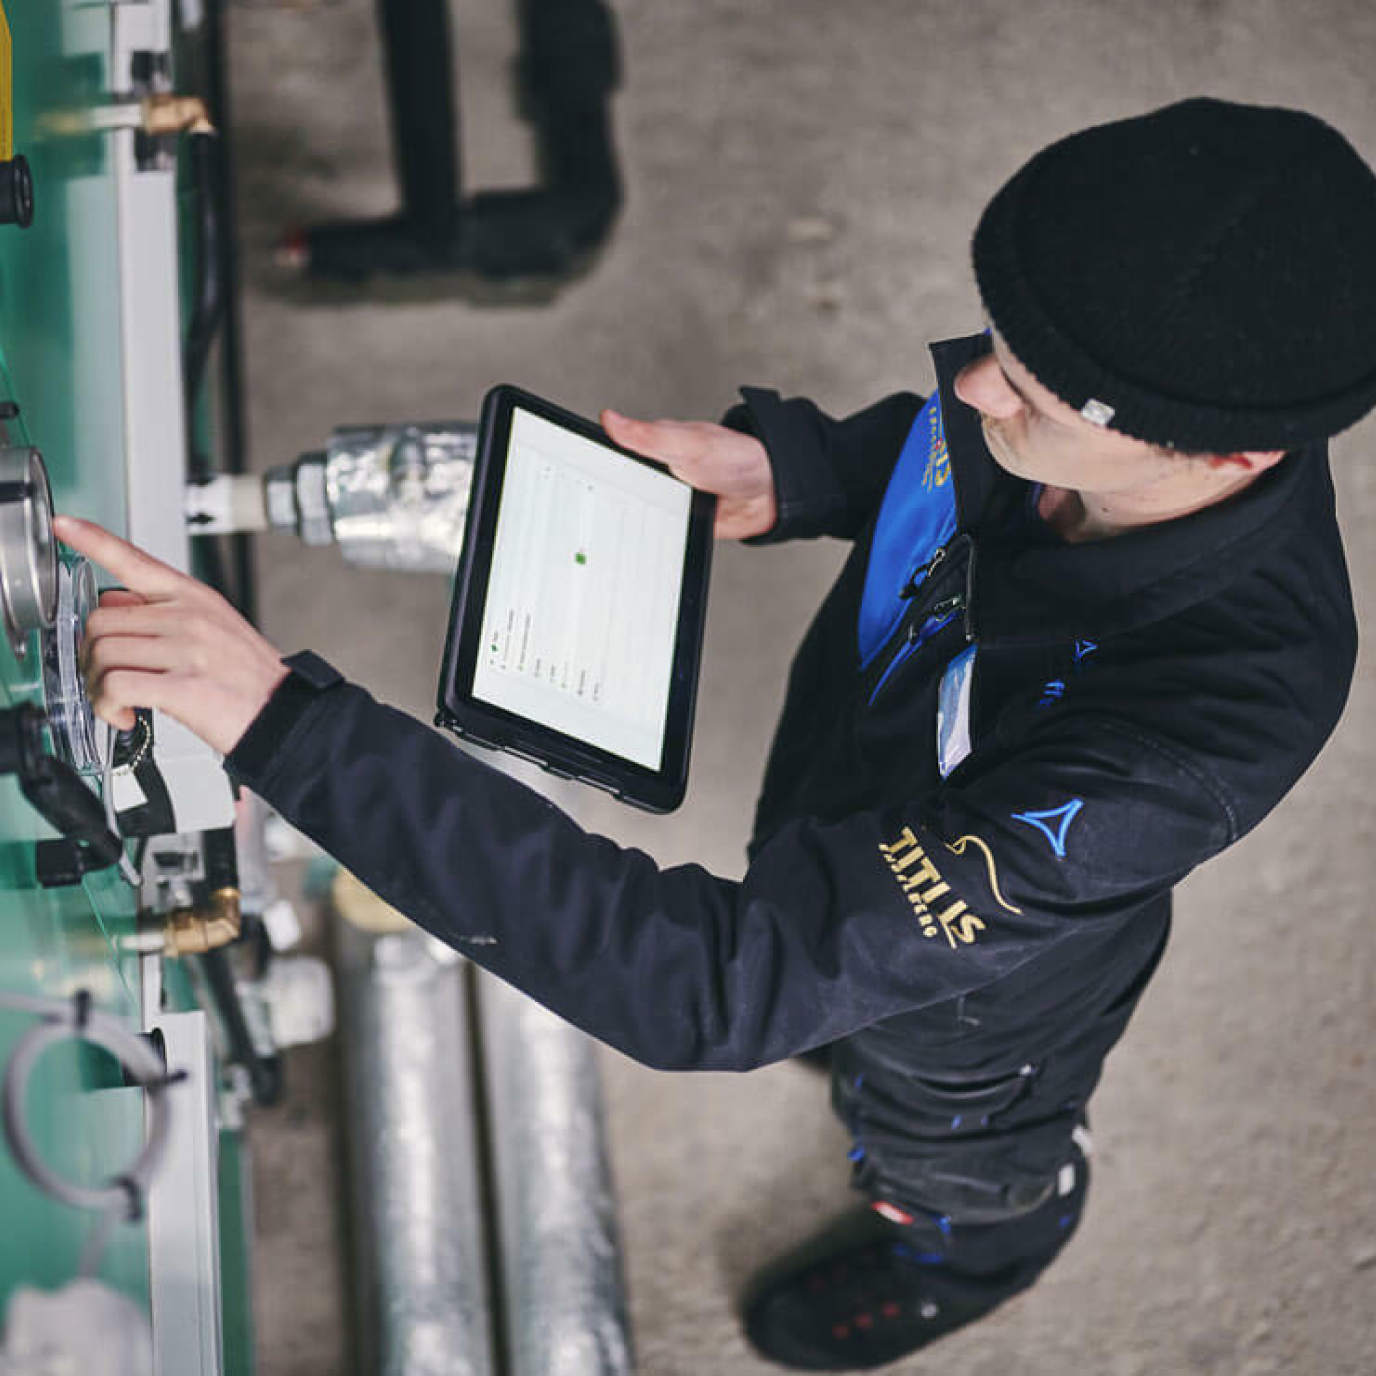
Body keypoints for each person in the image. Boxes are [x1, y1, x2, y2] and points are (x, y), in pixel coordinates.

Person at [58, 97, 1376, 1370]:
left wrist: (282, 728)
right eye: (999, 341)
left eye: (1042, 394)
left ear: (1227, 462)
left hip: (983, 1019)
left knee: (935, 1148)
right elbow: (946, 449)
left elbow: (715, 985)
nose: (976, 386)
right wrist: (798, 470)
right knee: (832, 997)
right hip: (857, 807)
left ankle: (969, 1259)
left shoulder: (1195, 734)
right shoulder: (1127, 394)